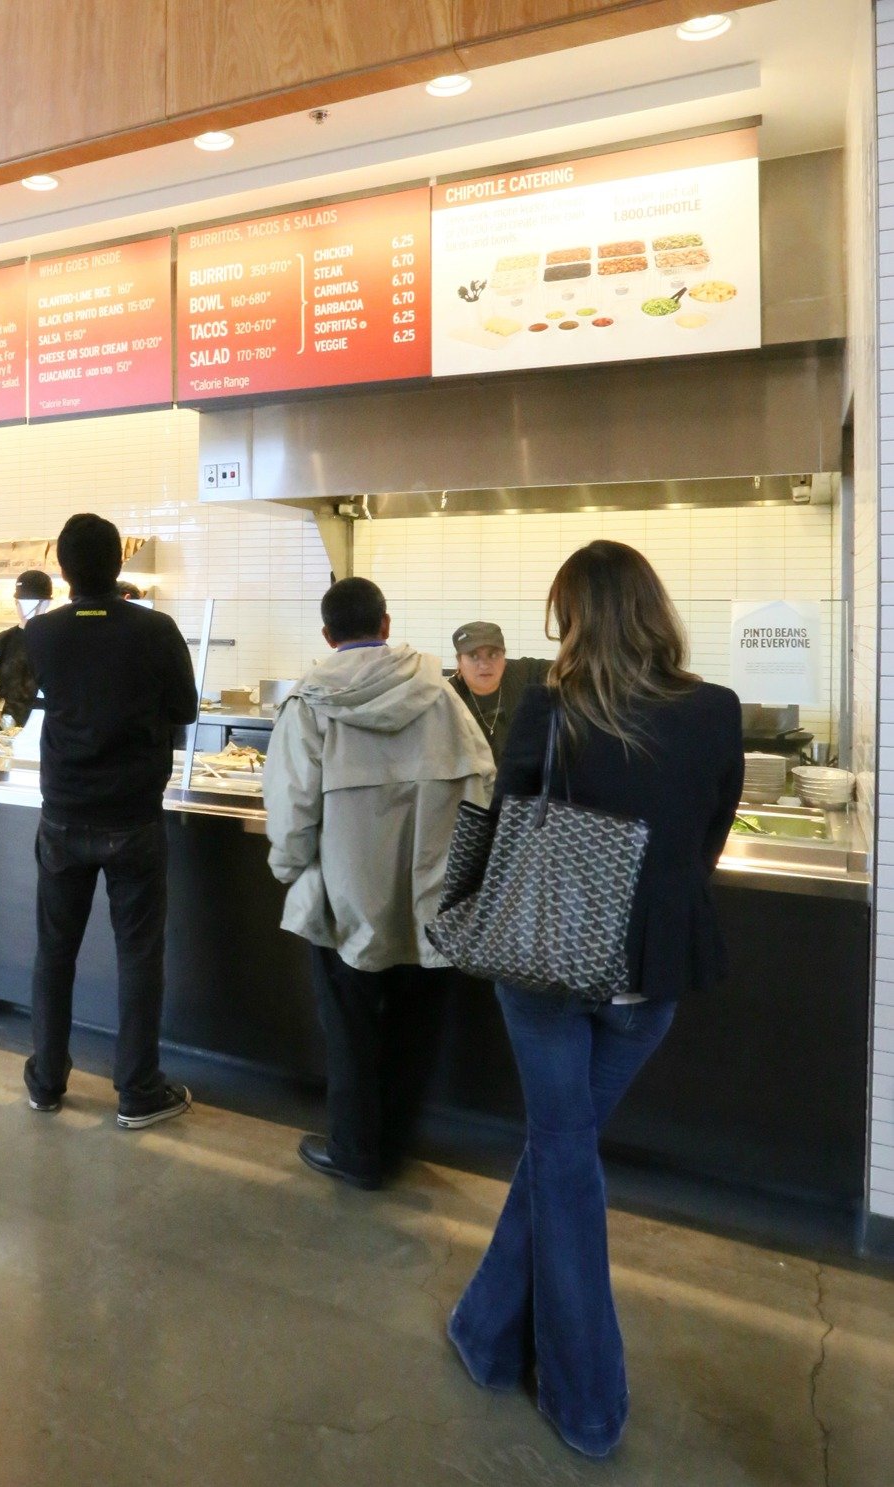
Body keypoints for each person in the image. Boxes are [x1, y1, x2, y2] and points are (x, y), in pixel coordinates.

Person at [447, 541, 744, 1459]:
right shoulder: (717, 711)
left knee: (563, 1158)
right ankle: (487, 1335)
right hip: (650, 972)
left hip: (543, 959)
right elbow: (709, 837)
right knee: (561, 1151)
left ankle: (587, 1400)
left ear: (573, 620)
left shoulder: (550, 705)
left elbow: (508, 818)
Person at [264, 578, 494, 1189]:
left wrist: (290, 871)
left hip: (345, 898)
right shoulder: (441, 695)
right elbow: (482, 784)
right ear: (386, 625)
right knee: (415, 1026)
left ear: (326, 635)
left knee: (351, 1028)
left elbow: (291, 810)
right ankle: (394, 1142)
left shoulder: (309, 703)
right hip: (430, 897)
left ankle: (357, 1153)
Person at [21, 513, 199, 1127]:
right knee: (139, 955)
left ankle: (46, 1080)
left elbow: (10, 703)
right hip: (133, 819)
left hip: (63, 816)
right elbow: (185, 708)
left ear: (63, 570)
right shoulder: (155, 630)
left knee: (55, 952)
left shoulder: (40, 635)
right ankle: (138, 1091)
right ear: (118, 566)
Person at [448, 622, 550, 763]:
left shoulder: (523, 673)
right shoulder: (447, 697)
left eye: (493, 655)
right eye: (473, 656)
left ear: (504, 657)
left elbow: (573, 668)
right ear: (459, 661)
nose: (484, 665)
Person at [0, 568, 51, 728]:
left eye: (35, 603)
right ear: (16, 603)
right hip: (11, 725)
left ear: (47, 603)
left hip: (51, 726)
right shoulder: (1, 642)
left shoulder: (60, 639)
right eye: (23, 603)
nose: (28, 610)